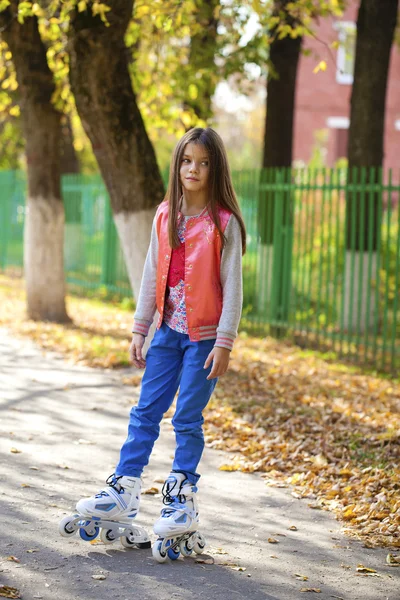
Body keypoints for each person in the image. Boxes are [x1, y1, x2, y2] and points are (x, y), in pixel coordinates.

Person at [75, 127, 246, 557]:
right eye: (188, 160)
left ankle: (180, 497)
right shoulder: (166, 214)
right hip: (167, 334)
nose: (194, 169)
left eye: (204, 163)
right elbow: (152, 273)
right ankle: (125, 487)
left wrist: (224, 343)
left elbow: (233, 287)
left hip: (204, 341)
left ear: (215, 168)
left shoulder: (224, 224)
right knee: (145, 411)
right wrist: (140, 328)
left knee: (187, 418)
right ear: (178, 164)